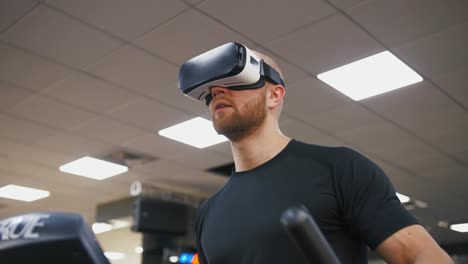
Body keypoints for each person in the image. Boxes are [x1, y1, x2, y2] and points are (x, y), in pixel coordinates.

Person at [182, 43, 453, 263]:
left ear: (274, 95)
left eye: (236, 81)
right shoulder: (208, 214)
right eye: (211, 90)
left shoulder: (340, 170)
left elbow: (419, 256)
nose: (217, 91)